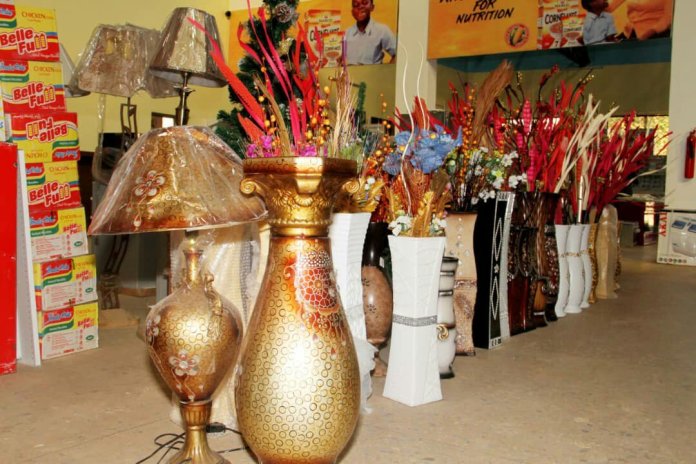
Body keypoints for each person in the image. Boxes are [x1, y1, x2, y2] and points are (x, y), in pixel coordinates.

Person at [344, 0, 396, 65]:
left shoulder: (382, 30)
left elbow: (398, 55)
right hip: (351, 71)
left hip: (374, 71)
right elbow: (339, 57)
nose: (360, 7)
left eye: (365, 3)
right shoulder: (346, 33)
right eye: (356, 5)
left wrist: (387, 70)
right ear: (352, 12)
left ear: (372, 7)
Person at [606, 0, 673, 40]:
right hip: (630, 33)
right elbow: (608, 8)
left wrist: (650, 32)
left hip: (655, 36)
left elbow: (668, 18)